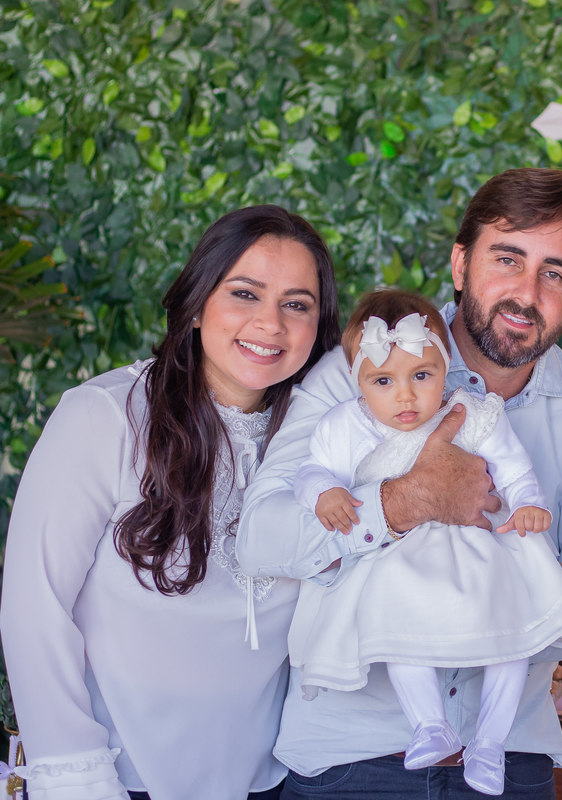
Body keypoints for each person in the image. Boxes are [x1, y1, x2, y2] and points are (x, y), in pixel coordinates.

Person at [236, 168, 562, 799]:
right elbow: (261, 538)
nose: (526, 291)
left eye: (555, 272)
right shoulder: (359, 371)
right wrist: (406, 501)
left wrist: (506, 563)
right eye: (507, 258)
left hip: (511, 759)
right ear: (460, 263)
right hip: (353, 755)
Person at [0, 205, 341, 800]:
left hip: (270, 785)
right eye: (245, 293)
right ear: (196, 301)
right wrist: (79, 780)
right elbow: (34, 609)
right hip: (111, 782)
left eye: (297, 303)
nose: (271, 324)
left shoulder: (324, 448)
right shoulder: (103, 416)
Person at [288, 289, 562, 795]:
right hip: (401, 560)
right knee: (395, 630)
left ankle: (491, 742)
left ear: (446, 369)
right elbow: (312, 470)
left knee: (512, 639)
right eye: (384, 381)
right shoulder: (347, 424)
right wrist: (325, 492)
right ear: (359, 383)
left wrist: (529, 500)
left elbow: (512, 464)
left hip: (478, 551)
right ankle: (430, 724)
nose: (405, 397)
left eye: (421, 376)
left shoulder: (471, 412)